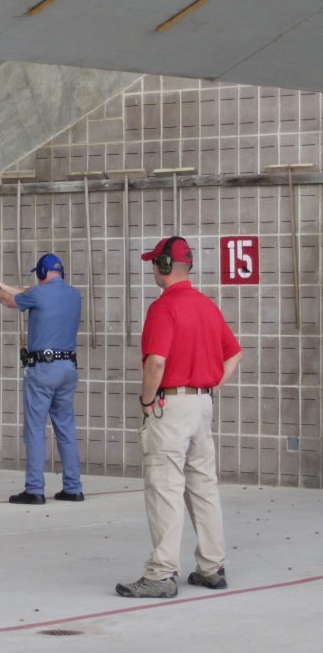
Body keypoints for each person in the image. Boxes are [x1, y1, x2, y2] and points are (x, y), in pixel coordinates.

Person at [116, 236, 241, 598]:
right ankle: (211, 567)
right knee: (203, 486)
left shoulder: (163, 307)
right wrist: (209, 383)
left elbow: (156, 362)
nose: (153, 269)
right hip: (202, 405)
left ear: (165, 267)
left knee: (165, 488)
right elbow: (234, 355)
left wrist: (146, 399)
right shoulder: (206, 305)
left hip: (170, 406)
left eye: (155, 263)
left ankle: (161, 573)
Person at [0, 254, 84, 505]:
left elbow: (11, 302)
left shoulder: (39, 295)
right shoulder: (73, 294)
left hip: (43, 370)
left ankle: (34, 489)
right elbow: (25, 292)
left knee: (35, 430)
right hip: (67, 368)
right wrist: (2, 282)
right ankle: (73, 487)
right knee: (66, 428)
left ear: (41, 272)